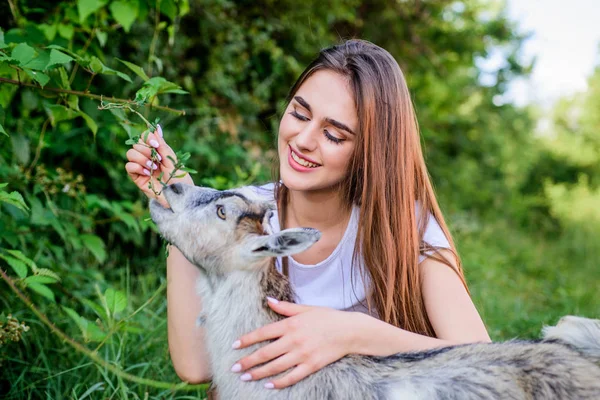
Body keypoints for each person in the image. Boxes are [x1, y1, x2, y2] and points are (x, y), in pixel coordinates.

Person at [125, 39, 491, 390]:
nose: (303, 140)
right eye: (300, 114)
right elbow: (196, 366)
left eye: (334, 135)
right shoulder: (247, 219)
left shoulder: (404, 226)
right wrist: (184, 215)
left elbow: (483, 361)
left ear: (369, 154)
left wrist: (355, 334)